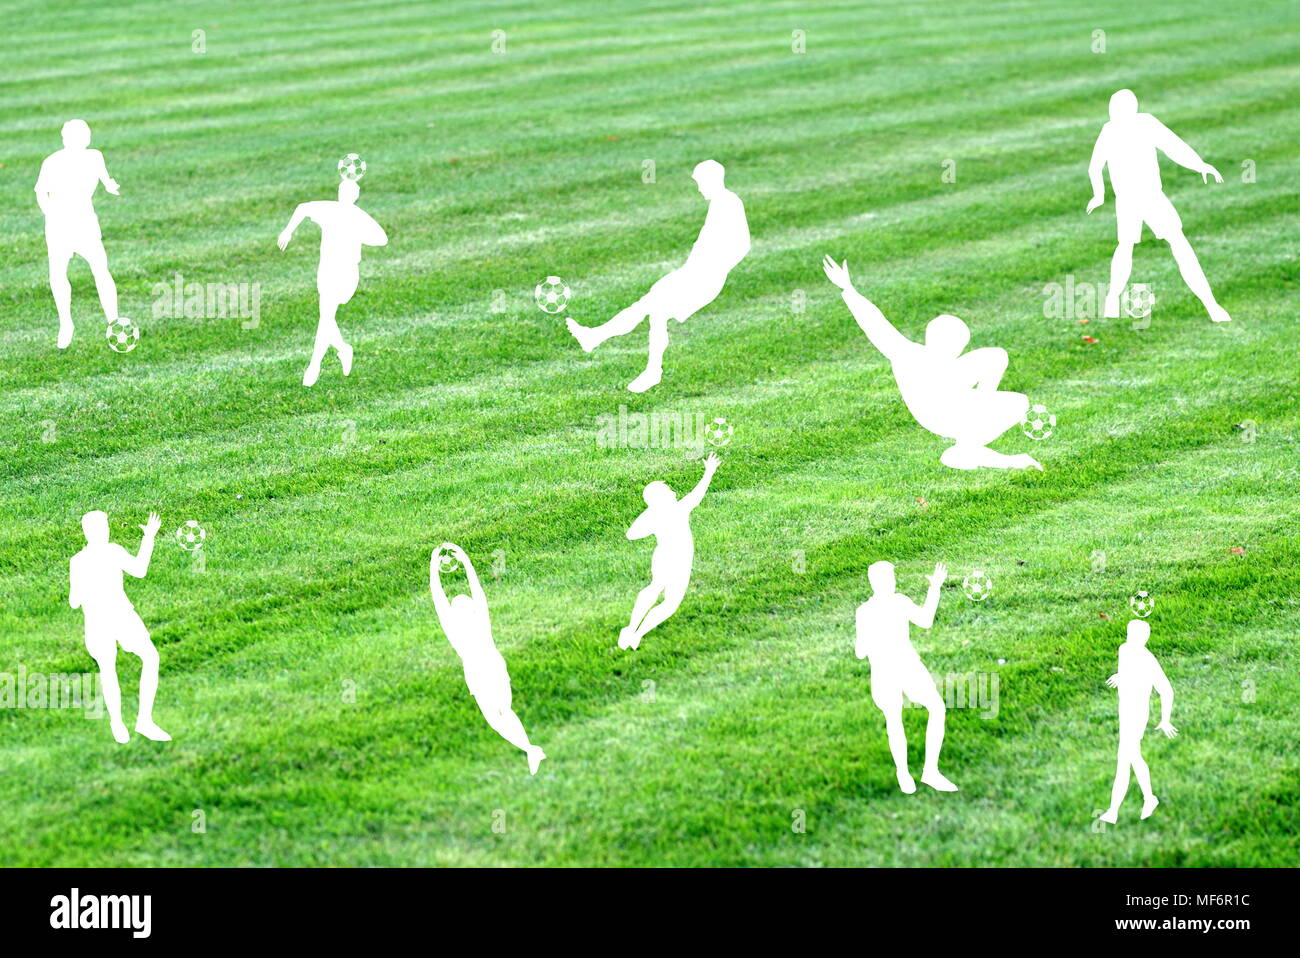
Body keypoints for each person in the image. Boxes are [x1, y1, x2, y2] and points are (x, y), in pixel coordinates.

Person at [822, 256, 1041, 471]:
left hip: (952, 408)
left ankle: (969, 447)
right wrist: (849, 290)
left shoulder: (941, 364)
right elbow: (876, 324)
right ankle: (966, 449)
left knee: (1015, 396)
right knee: (1006, 382)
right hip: (936, 415)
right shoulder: (909, 354)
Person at [567, 160, 750, 392]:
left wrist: (717, 268)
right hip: (692, 273)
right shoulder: (721, 203)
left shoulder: (728, 203)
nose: (699, 188)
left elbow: (743, 244)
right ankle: (597, 339)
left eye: (700, 182)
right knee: (647, 306)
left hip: (703, 277)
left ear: (712, 180)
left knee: (656, 311)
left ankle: (649, 369)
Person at [1087, 89, 1230, 323]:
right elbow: (1095, 166)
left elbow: (1174, 147)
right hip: (1128, 201)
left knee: (1178, 243)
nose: (1113, 113)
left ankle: (1211, 304)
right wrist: (1099, 193)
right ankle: (1112, 299)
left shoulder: (1146, 124)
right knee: (1126, 246)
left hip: (1152, 197)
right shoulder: (1109, 130)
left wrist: (1199, 165)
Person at [431, 543, 546, 775]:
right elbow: (475, 590)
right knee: (504, 713)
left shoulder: (456, 630)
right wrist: (464, 559)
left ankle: (531, 750)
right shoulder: (479, 622)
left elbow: (439, 597)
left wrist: (435, 564)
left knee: (498, 717)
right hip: (491, 666)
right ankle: (531, 750)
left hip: (480, 672)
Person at [69, 511, 170, 744]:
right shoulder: (79, 561)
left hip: (121, 614)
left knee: (150, 657)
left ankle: (144, 720)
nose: (104, 532)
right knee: (108, 667)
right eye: (99, 528)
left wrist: (149, 538)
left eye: (105, 527)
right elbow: (74, 600)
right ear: (88, 532)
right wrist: (90, 587)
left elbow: (139, 570)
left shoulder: (113, 550)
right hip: (99, 620)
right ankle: (117, 721)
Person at [856, 560, 955, 793]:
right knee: (894, 717)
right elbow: (861, 650)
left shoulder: (895, 602)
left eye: (892, 578)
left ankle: (929, 771)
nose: (891, 583)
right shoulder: (867, 611)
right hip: (886, 669)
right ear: (875, 582)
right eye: (887, 579)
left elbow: (925, 620)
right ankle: (904, 771)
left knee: (936, 707)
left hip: (907, 665)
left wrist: (935, 588)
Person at [278, 177, 388, 386]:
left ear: (355, 196)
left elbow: (381, 239)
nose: (343, 194)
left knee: (327, 316)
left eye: (348, 191)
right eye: (341, 190)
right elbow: (302, 208)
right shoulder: (329, 209)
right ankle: (333, 354)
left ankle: (322, 361)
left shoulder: (359, 217)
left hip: (346, 271)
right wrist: (288, 231)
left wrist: (359, 234)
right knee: (326, 316)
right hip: (326, 268)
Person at [619, 452, 720, 650]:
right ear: (663, 498)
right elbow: (696, 495)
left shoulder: (659, 514)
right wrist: (709, 472)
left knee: (664, 596)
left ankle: (634, 632)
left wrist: (650, 511)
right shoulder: (676, 509)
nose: (674, 492)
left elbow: (632, 534)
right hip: (672, 557)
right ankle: (633, 631)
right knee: (663, 596)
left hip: (674, 557)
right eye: (669, 490)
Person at [35, 119, 121, 349]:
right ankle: (66, 323)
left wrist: (111, 185)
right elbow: (41, 192)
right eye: (76, 136)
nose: (82, 139)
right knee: (58, 272)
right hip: (59, 225)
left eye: (85, 135)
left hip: (85, 222)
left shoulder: (95, 156)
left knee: (101, 268)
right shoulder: (52, 162)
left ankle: (113, 321)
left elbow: (104, 177)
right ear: (65, 138)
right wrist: (49, 213)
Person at [1100, 619, 1176, 823]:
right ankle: (1146, 800)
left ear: (1145, 637)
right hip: (1125, 710)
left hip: (1137, 713)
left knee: (1126, 758)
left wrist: (1165, 720)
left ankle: (1116, 810)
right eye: (1129, 634)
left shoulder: (1147, 659)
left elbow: (1166, 690)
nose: (1131, 639)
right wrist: (1121, 675)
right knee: (1130, 758)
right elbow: (1129, 673)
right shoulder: (1124, 649)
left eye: (1137, 636)